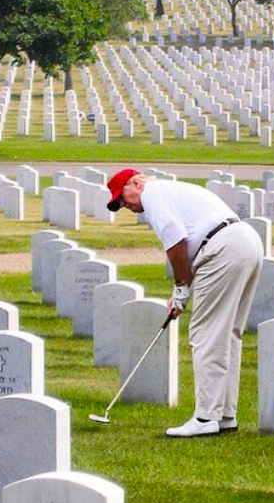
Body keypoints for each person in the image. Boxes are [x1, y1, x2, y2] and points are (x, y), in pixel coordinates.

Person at [106, 168, 264, 437]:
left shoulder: (153, 195)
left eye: (122, 197)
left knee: (205, 333)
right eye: (118, 204)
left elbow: (176, 241)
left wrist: (181, 288)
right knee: (228, 334)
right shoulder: (171, 190)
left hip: (222, 248)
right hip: (246, 241)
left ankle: (205, 417)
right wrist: (181, 290)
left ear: (136, 183)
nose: (124, 205)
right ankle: (225, 415)